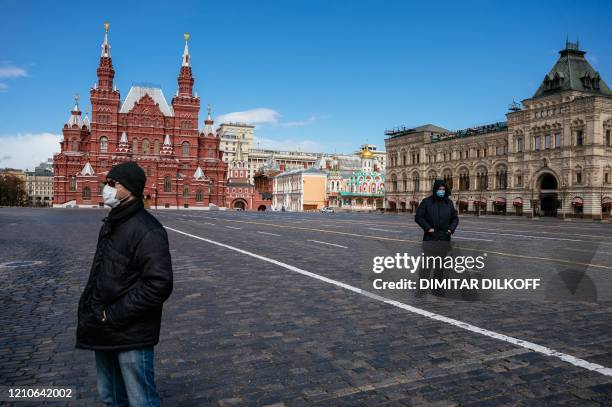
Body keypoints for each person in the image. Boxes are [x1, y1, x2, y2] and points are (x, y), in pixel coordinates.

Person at [76, 161, 173, 407]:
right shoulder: (114, 222)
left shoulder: (147, 229)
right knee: (111, 398)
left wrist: (113, 314)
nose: (105, 189)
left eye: (112, 184)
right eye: (105, 183)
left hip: (131, 332)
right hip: (103, 326)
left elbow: (159, 284)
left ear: (129, 188)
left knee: (142, 401)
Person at [414, 179, 459, 296]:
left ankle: (437, 289)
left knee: (440, 268)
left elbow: (455, 218)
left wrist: (450, 230)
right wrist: (428, 228)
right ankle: (421, 290)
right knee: (426, 267)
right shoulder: (427, 202)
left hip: (444, 239)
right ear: (435, 189)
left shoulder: (449, 203)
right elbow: (418, 217)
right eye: (439, 189)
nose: (441, 191)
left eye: (443, 189)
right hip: (430, 239)